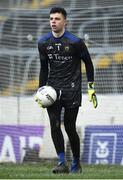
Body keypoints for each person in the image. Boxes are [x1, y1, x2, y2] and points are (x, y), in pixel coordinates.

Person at [36, 7, 97, 174]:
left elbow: (89, 64)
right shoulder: (43, 42)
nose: (53, 21)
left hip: (72, 89)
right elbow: (44, 68)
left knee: (70, 127)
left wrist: (91, 87)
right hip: (52, 91)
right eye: (51, 19)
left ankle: (76, 163)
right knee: (55, 125)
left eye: (57, 18)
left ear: (65, 22)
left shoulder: (75, 42)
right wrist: (40, 90)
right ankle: (62, 163)